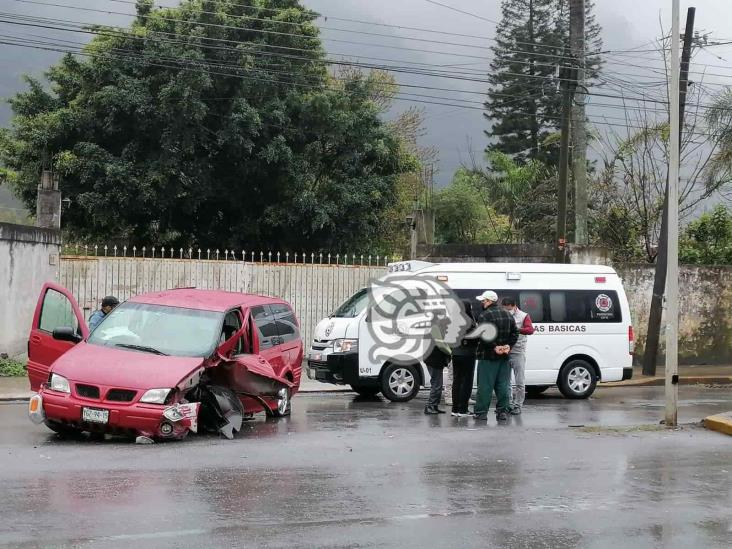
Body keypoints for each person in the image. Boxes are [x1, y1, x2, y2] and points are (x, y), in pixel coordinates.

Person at [474, 290, 519, 422]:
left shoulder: (484, 316)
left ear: (489, 301)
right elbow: (515, 333)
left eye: (484, 300)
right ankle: (502, 412)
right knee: (503, 385)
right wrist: (508, 346)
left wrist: (494, 346)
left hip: (487, 356)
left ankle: (481, 412)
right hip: (504, 356)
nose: (482, 303)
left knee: (485, 386)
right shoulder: (507, 314)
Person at [501, 297, 535, 415]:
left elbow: (530, 330)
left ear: (514, 306)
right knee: (506, 381)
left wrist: (516, 330)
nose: (507, 311)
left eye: (508, 309)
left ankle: (518, 405)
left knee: (519, 380)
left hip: (518, 351)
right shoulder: (503, 314)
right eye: (504, 309)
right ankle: (508, 404)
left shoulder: (523, 315)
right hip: (505, 350)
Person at [450, 299, 478, 417]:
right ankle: (463, 409)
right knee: (466, 382)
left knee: (456, 381)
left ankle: (455, 409)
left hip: (456, 353)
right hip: (467, 354)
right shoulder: (469, 320)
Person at [423, 323, 451, 415]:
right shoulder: (435, 328)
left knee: (437, 384)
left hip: (432, 359)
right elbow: (441, 345)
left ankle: (434, 406)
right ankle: (430, 406)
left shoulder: (432, 327)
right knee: (436, 384)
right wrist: (451, 353)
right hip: (434, 360)